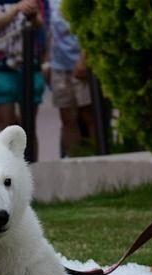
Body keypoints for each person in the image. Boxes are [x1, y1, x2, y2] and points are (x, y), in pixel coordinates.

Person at [0, 0, 46, 153]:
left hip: (29, 65)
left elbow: (38, 25)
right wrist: (17, 8)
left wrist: (33, 14)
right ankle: (8, 171)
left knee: (28, 126)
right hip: (0, 68)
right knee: (7, 128)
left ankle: (32, 169)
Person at [43, 0, 96, 157]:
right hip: (59, 65)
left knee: (89, 114)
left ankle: (98, 156)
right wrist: (47, 62)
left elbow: (91, 24)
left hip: (81, 62)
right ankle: (75, 158)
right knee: (67, 117)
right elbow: (50, 29)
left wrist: (85, 57)